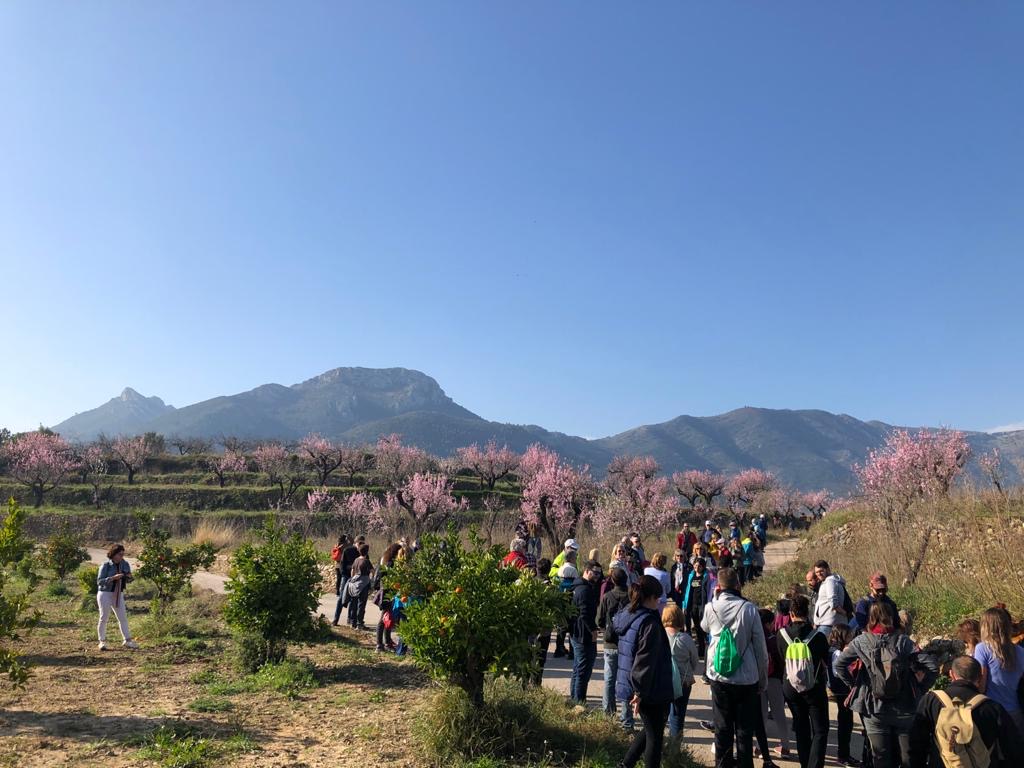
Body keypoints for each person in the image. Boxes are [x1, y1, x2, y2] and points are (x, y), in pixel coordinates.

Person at [835, 603, 938, 768]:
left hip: (873, 707)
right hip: (904, 707)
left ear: (870, 618)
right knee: (907, 759)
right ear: (892, 617)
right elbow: (932, 666)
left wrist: (855, 685)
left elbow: (839, 665)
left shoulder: (861, 641)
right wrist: (920, 689)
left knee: (880, 758)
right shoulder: (903, 642)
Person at [701, 567, 769, 768]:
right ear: (738, 585)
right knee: (744, 730)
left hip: (719, 674)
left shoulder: (710, 607)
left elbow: (705, 627)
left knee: (722, 728)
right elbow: (760, 649)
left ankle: (722, 764)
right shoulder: (749, 609)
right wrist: (762, 680)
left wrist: (714, 598)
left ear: (719, 587)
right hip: (746, 677)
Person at [908, 655, 1023, 768]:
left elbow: (917, 742)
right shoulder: (992, 708)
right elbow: (1013, 748)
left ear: (951, 674)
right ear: (980, 677)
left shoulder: (931, 701)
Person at [613, 575, 674, 768]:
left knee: (650, 729)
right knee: (655, 738)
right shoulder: (649, 623)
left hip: (639, 683)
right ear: (651, 597)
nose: (660, 603)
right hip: (650, 687)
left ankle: (626, 764)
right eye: (658, 598)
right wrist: (639, 692)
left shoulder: (629, 614)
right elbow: (644, 660)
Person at [778, 594, 830, 768]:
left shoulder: (782, 635)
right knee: (820, 730)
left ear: (791, 613)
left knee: (801, 729)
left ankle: (804, 763)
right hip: (814, 686)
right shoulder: (819, 636)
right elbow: (826, 661)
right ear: (808, 612)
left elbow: (780, 659)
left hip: (790, 687)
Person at [973, 607, 1024, 736]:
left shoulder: (982, 649)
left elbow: (981, 684)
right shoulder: (1020, 651)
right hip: (1016, 710)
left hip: (993, 710)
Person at [597, 566, 634, 730]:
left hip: (610, 642)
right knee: (626, 680)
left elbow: (598, 620)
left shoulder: (607, 597)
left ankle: (608, 713)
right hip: (627, 642)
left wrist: (605, 627)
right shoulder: (632, 597)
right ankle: (626, 718)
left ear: (612, 580)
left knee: (609, 679)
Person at [663, 603, 699, 745]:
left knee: (662, 714)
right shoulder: (686, 639)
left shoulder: (659, 635)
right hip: (683, 682)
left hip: (663, 680)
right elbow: (695, 661)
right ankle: (675, 748)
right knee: (678, 715)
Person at [760, 608, 792, 764]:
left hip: (758, 680)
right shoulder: (774, 639)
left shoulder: (756, 638)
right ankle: (785, 746)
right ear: (769, 623)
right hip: (774, 679)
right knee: (779, 713)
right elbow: (781, 661)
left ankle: (760, 746)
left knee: (761, 714)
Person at [826, 624, 860, 767]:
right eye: (848, 635)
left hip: (838, 689)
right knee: (845, 723)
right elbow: (837, 672)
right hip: (841, 690)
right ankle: (843, 755)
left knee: (846, 722)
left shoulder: (831, 649)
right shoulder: (837, 653)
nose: (850, 637)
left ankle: (844, 754)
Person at [569, 560, 603, 705]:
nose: (597, 576)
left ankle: (574, 700)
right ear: (587, 571)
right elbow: (584, 613)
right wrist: (593, 630)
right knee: (583, 671)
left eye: (599, 574)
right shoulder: (583, 589)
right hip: (583, 635)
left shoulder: (579, 585)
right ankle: (579, 703)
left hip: (577, 633)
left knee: (578, 669)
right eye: (595, 573)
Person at [96, 544, 139, 650]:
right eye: (120, 554)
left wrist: (129, 577)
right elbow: (99, 582)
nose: (121, 556)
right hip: (105, 593)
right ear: (114, 554)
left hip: (118, 593)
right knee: (104, 617)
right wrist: (112, 578)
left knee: (122, 617)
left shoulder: (124, 564)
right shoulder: (106, 565)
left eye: (123, 554)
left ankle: (127, 640)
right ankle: (102, 641)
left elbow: (129, 577)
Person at [683, 556, 714, 660]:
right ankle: (700, 649)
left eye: (699, 566)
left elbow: (710, 590)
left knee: (702, 628)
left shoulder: (706, 576)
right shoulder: (691, 576)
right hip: (692, 605)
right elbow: (687, 591)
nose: (697, 567)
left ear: (703, 566)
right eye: (695, 565)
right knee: (696, 627)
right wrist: (685, 605)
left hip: (703, 605)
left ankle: (703, 649)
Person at [530, 557, 554, 685]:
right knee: (541, 657)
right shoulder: (548, 586)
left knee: (531, 656)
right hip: (544, 627)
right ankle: (536, 683)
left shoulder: (530, 583)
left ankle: (528, 682)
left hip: (530, 625)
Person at [812, 561, 849, 637]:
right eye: (817, 572)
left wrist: (844, 613)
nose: (819, 574)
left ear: (828, 569)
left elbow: (832, 602)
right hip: (830, 624)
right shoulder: (829, 581)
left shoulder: (830, 581)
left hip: (828, 625)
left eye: (821, 571)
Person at [332, 535, 363, 626]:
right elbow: (342, 565)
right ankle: (335, 619)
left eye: (362, 543)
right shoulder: (348, 550)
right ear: (355, 543)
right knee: (341, 598)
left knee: (354, 599)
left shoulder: (362, 552)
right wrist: (346, 574)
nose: (360, 545)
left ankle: (352, 620)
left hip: (356, 578)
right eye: (359, 543)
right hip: (346, 577)